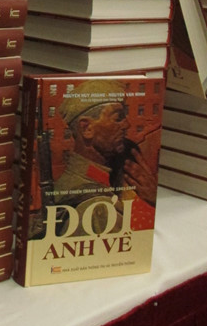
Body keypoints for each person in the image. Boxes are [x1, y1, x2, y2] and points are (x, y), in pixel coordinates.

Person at [48, 79, 158, 236]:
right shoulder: (98, 209)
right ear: (87, 128)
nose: (126, 124)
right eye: (118, 118)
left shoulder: (89, 181)